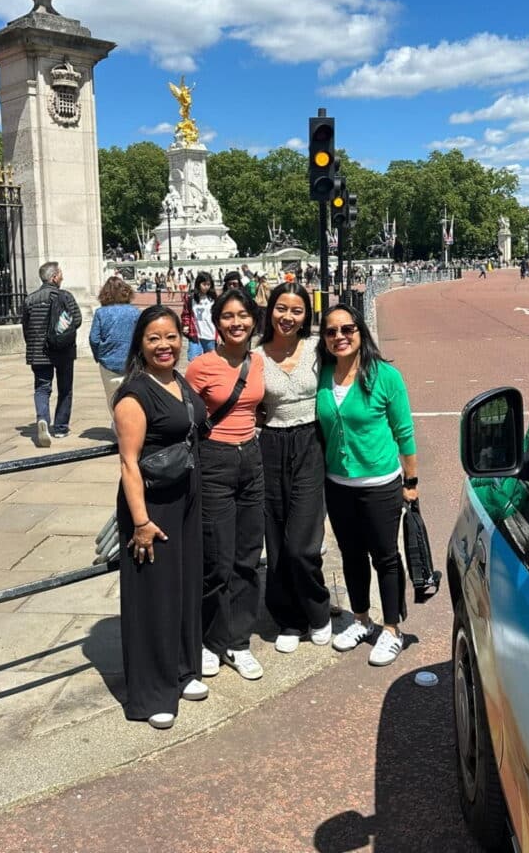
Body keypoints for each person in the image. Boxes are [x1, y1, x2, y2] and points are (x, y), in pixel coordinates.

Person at [112, 305, 208, 729]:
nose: (164, 345)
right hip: (151, 505)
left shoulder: (177, 381)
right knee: (154, 595)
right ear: (140, 344)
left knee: (184, 586)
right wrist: (140, 522)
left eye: (170, 336)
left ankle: (183, 669)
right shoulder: (135, 392)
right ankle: (152, 693)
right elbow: (129, 463)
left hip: (185, 496)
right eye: (153, 338)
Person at [316, 303, 418, 667]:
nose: (340, 337)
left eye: (347, 329)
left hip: (379, 482)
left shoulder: (385, 376)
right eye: (331, 331)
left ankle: (392, 630)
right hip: (338, 483)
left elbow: (404, 431)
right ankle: (361, 619)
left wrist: (412, 481)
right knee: (351, 555)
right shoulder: (323, 375)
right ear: (324, 338)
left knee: (386, 556)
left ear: (361, 332)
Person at [185, 289, 266, 681]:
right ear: (216, 324)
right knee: (217, 559)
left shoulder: (258, 362)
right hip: (214, 460)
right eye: (228, 317)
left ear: (253, 320)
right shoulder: (201, 366)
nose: (237, 323)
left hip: (251, 457)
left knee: (248, 557)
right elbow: (184, 418)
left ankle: (239, 641)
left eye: (243, 316)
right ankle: (211, 640)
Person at [259, 283, 330, 653]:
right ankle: (288, 618)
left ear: (307, 315)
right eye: (282, 308)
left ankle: (318, 611)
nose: (288, 316)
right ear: (270, 310)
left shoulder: (317, 349)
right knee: (276, 540)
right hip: (269, 444)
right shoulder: (256, 355)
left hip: (310, 443)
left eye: (297, 310)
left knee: (302, 543)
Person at [22, 261, 82, 445]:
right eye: (60, 274)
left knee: (42, 387)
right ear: (54, 277)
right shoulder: (65, 296)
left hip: (38, 351)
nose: (62, 277)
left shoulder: (30, 299)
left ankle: (42, 419)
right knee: (65, 388)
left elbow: (25, 327)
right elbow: (77, 320)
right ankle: (61, 427)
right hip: (62, 350)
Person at [89, 276, 142, 417]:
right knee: (133, 396)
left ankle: (118, 424)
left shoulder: (101, 313)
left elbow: (94, 338)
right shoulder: (135, 312)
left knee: (112, 397)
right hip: (131, 361)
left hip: (108, 361)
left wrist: (98, 355)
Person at [181, 272, 217, 362]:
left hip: (210, 335)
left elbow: (218, 317)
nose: (206, 287)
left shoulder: (214, 299)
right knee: (193, 359)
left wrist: (219, 334)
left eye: (208, 284)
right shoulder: (190, 298)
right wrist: (186, 325)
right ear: (198, 284)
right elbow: (186, 313)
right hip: (195, 335)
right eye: (204, 284)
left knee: (211, 361)